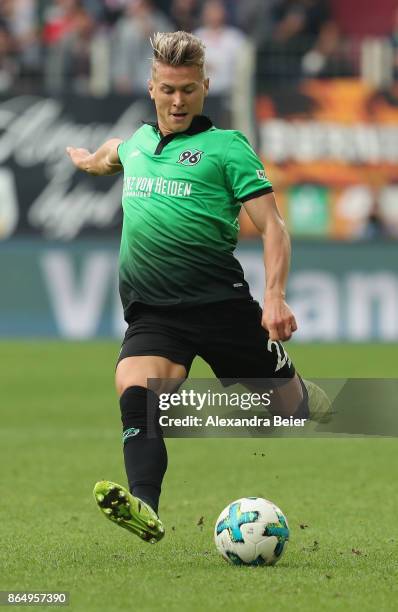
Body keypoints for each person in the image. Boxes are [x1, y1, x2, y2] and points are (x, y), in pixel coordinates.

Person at [66, 30, 330, 544]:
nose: (177, 100)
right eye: (167, 89)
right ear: (151, 88)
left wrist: (274, 295)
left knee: (286, 412)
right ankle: (144, 505)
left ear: (205, 86)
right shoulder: (138, 144)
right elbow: (111, 153)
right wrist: (88, 162)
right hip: (155, 314)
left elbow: (273, 226)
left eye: (188, 89)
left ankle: (298, 391)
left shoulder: (227, 149)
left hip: (221, 309)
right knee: (135, 391)